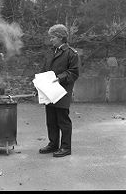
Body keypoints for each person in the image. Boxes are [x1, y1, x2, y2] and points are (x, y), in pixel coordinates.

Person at [39, 24, 79, 157]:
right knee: (51, 120)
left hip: (62, 92)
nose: (51, 40)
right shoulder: (51, 52)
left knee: (63, 120)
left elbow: (74, 73)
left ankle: (66, 148)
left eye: (53, 37)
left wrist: (59, 78)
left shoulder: (71, 54)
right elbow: (44, 70)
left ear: (61, 37)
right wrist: (39, 84)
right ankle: (53, 144)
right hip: (49, 92)